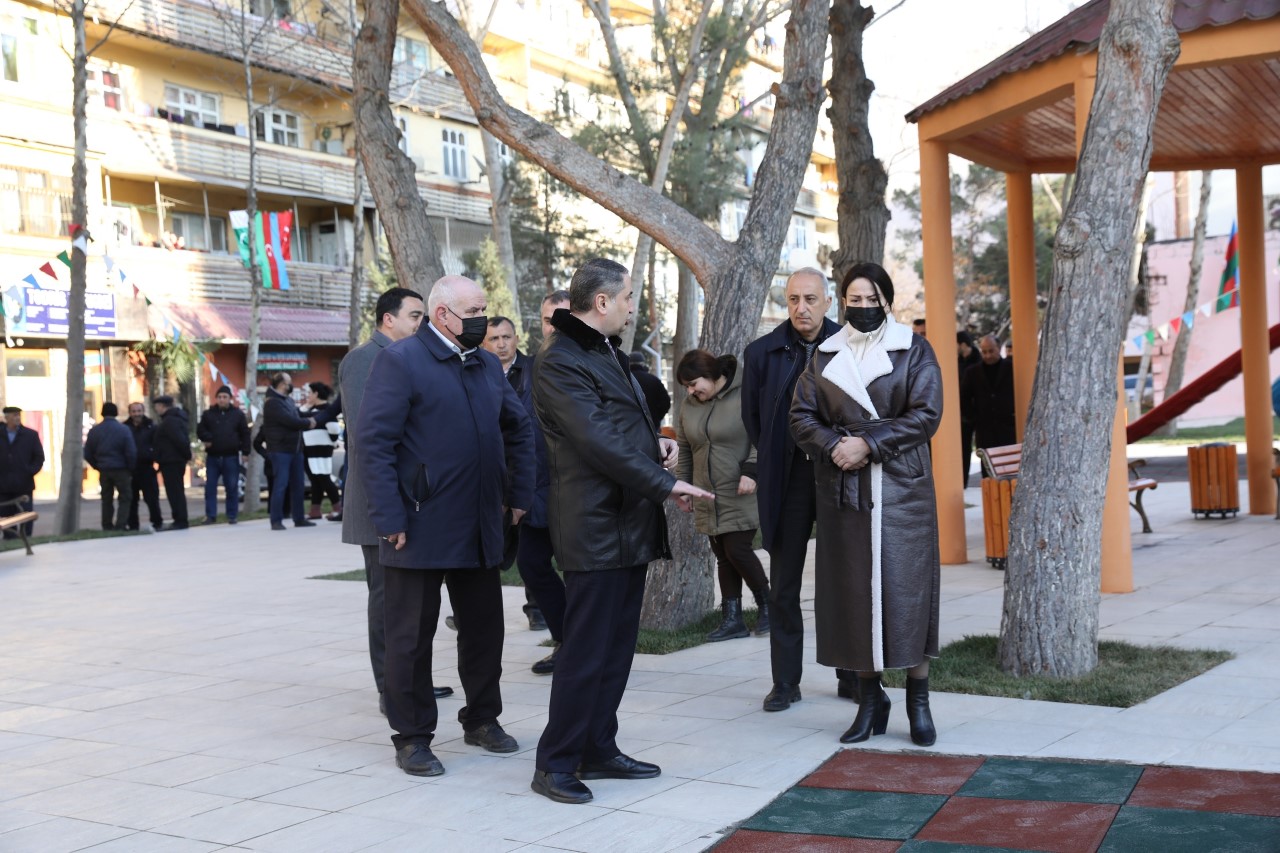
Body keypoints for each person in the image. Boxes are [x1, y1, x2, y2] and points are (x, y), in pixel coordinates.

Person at [530, 258, 713, 805]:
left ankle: (597, 747)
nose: (633, 307)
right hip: (593, 525)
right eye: (628, 297)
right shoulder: (560, 360)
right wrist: (665, 484)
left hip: (627, 520)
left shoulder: (603, 349)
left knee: (615, 650)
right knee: (585, 652)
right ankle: (556, 762)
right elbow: (596, 442)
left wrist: (656, 444)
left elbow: (620, 427)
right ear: (602, 302)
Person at [360, 275, 535, 778]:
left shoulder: (484, 363)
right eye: (474, 310)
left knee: (484, 630)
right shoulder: (400, 361)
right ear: (443, 315)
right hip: (417, 523)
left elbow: (518, 428)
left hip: (480, 521)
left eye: (484, 308)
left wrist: (519, 495)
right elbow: (374, 443)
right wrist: (389, 515)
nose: (484, 317)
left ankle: (482, 719)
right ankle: (412, 737)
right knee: (410, 638)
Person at [790, 261, 943, 748]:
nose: (862, 307)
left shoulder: (914, 349)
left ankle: (918, 701)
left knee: (908, 592)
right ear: (842, 302)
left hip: (902, 491)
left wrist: (869, 444)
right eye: (854, 299)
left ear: (886, 301)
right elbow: (801, 416)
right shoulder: (824, 355)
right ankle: (869, 701)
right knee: (854, 595)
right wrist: (836, 445)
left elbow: (926, 414)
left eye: (871, 299)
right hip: (845, 491)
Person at [336, 288, 451, 713]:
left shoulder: (408, 357)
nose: (422, 323)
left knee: (413, 603)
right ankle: (392, 689)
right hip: (378, 502)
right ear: (388, 319)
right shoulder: (365, 359)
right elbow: (368, 436)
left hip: (412, 499)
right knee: (388, 601)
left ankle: (411, 682)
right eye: (415, 315)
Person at [741, 267, 851, 712]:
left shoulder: (850, 346)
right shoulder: (762, 352)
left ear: (828, 302)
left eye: (810, 299)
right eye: (793, 300)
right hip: (787, 480)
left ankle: (852, 675)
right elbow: (754, 419)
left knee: (843, 580)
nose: (801, 308)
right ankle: (785, 682)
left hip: (838, 474)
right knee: (783, 585)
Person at [674, 349, 769, 641]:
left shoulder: (745, 394)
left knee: (737, 549)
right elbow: (685, 448)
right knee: (723, 556)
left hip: (740, 487)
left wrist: (752, 471)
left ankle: (770, 606)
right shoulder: (690, 406)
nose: (691, 391)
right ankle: (733, 620)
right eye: (686, 387)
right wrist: (683, 487)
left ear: (712, 375)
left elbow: (762, 435)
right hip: (706, 492)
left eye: (694, 384)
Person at [482, 315, 551, 636]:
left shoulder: (535, 369)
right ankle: (474, 612)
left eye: (506, 337)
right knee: (488, 549)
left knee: (530, 550)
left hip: (532, 473)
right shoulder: (478, 371)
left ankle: (538, 610)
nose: (501, 344)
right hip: (493, 474)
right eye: (494, 339)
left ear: (516, 338)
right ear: (484, 343)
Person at [260, 372, 316, 531]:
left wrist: (317, 415)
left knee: (298, 485)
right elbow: (290, 421)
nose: (291, 385)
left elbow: (299, 415)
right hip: (280, 450)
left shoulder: (288, 400)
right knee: (280, 485)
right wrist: (308, 423)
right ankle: (276, 520)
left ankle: (299, 518)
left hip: (296, 449)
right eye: (289, 382)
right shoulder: (272, 403)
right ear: (281, 384)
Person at [196, 386, 250, 524]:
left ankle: (232, 515)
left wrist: (245, 452)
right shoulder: (208, 414)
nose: (222, 400)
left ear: (230, 398)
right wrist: (207, 438)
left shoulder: (237, 414)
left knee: (231, 487)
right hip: (213, 457)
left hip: (231, 456)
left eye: (225, 397)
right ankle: (211, 515)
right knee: (210, 488)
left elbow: (245, 434)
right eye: (219, 397)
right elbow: (200, 430)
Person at [961, 334, 1017, 456]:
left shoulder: (1012, 368)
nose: (988, 355)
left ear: (999, 348)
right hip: (984, 430)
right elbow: (964, 397)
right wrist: (973, 417)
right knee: (987, 465)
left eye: (991, 351)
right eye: (984, 352)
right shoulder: (972, 372)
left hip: (1008, 428)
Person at [83, 402, 136, 530]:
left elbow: (87, 453)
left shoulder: (95, 431)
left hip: (104, 469)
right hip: (121, 469)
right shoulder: (123, 429)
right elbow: (131, 452)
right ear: (116, 413)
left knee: (106, 499)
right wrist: (130, 468)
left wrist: (97, 466)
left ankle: (107, 525)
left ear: (102, 413)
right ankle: (121, 524)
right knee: (125, 497)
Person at [299, 382, 342, 520]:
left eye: (310, 393)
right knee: (315, 480)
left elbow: (334, 429)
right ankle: (315, 510)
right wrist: (307, 406)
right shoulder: (312, 409)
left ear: (316, 393)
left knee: (324, 478)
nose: (308, 395)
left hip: (321, 450)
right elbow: (299, 415)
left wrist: (331, 442)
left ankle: (338, 508)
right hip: (309, 450)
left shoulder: (327, 409)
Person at [0, 406, 44, 538]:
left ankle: (27, 538)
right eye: (14, 415)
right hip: (3, 486)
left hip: (24, 485)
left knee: (26, 515)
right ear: (6, 418)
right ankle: (11, 540)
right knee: (7, 518)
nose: (17, 418)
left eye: (18, 415)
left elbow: (39, 457)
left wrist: (29, 471)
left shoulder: (30, 435)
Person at [151, 395, 191, 530]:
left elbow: (179, 440)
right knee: (175, 491)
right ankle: (179, 519)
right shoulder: (173, 419)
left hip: (172, 461)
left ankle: (180, 520)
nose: (156, 409)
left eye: (157, 406)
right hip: (172, 460)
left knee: (175, 492)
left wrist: (186, 455)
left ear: (162, 406)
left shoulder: (170, 421)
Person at [125, 402, 164, 532]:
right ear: (130, 413)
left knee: (152, 498)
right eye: (134, 411)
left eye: (139, 411)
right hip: (130, 469)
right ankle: (133, 525)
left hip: (147, 467)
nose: (137, 414)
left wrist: (156, 460)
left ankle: (157, 522)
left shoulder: (151, 426)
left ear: (143, 411)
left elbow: (158, 445)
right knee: (131, 500)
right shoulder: (125, 428)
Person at [956, 332, 981, 487]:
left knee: (982, 447)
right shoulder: (956, 361)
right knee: (963, 449)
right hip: (962, 414)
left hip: (979, 413)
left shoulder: (979, 361)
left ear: (963, 344)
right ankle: (962, 481)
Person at [628, 350, 672, 425]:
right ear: (643, 364)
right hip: (651, 425)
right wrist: (656, 418)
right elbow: (666, 402)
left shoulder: (622, 381)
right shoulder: (654, 380)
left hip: (628, 426)